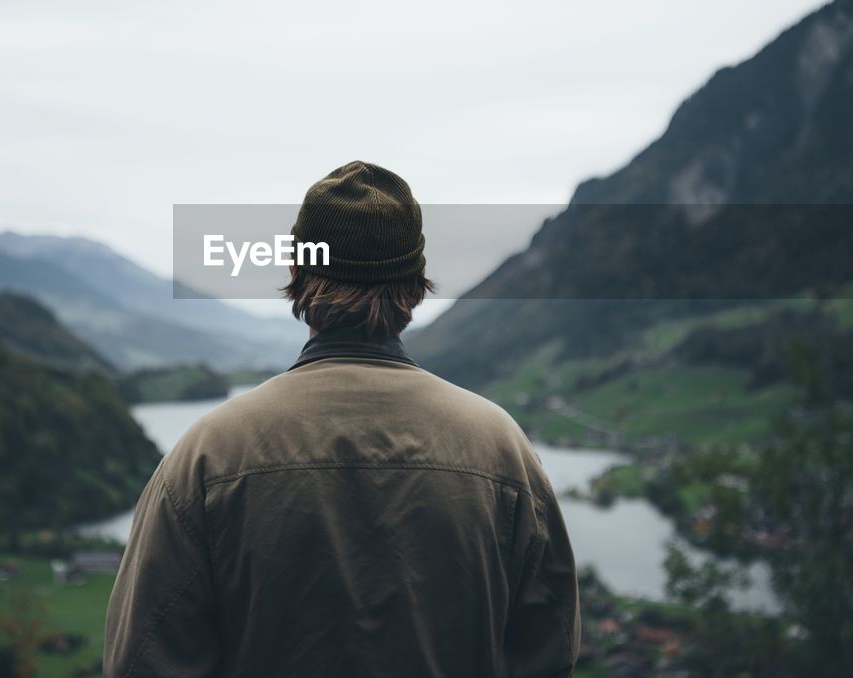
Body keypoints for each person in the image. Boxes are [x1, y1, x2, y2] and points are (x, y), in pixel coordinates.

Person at [104, 161, 580, 677]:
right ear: (417, 284)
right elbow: (548, 651)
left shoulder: (208, 454)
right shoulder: (501, 449)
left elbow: (143, 659)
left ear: (295, 273)